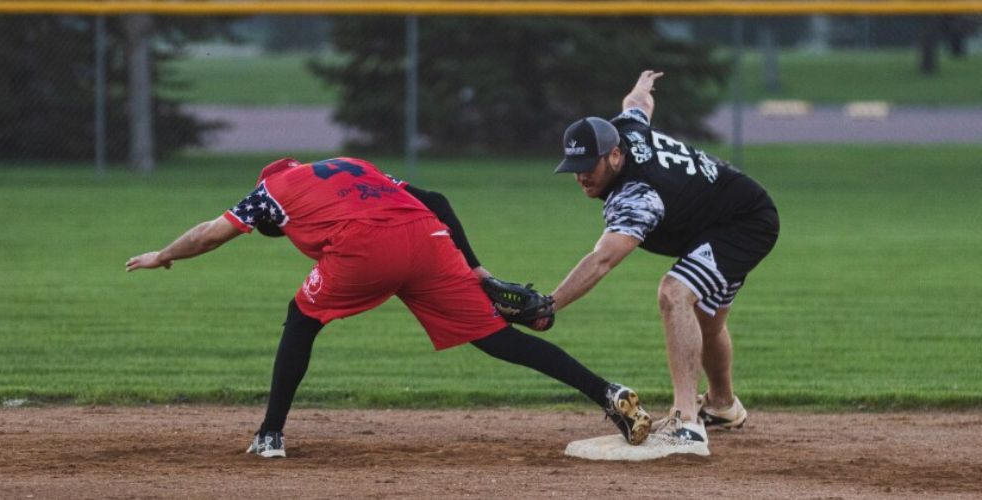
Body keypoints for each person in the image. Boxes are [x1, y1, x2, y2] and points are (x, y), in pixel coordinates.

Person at [125, 156, 651, 458]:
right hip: (426, 238)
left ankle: (270, 435)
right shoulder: (353, 166)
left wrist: (164, 254)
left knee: (301, 318)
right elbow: (437, 200)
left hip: (364, 246)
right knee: (498, 339)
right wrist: (477, 272)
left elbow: (212, 234)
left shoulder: (271, 190)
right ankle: (608, 392)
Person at [548, 71, 779, 456]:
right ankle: (722, 406)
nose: (582, 176)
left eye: (590, 165)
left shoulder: (638, 194)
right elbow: (636, 107)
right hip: (728, 212)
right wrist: (641, 88)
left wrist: (550, 303)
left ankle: (686, 423)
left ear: (616, 155)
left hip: (743, 223)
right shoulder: (625, 130)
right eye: (576, 166)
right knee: (707, 320)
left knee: (674, 293)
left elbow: (603, 260)